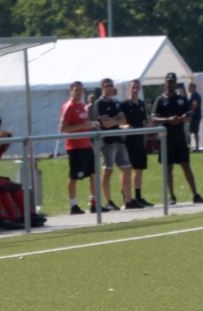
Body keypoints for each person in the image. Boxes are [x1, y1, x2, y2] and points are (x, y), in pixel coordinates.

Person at [151, 72, 203, 205]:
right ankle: (171, 196)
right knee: (168, 168)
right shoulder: (160, 100)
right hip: (166, 138)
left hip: (180, 136)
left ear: (175, 83)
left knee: (186, 165)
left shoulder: (181, 98)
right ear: (165, 83)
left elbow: (189, 113)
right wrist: (168, 119)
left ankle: (195, 194)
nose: (171, 84)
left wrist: (182, 118)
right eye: (169, 82)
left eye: (173, 82)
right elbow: (154, 117)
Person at [59, 80, 96, 215]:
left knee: (93, 174)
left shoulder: (82, 105)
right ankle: (73, 205)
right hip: (74, 147)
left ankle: (94, 203)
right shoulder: (68, 106)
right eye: (76, 90)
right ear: (71, 91)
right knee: (74, 176)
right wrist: (82, 126)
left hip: (86, 145)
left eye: (80, 90)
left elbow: (83, 123)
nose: (79, 93)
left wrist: (91, 124)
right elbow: (63, 128)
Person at [93, 78, 127, 211]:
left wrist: (114, 120)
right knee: (108, 170)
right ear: (102, 87)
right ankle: (108, 201)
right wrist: (116, 120)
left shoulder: (116, 102)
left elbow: (123, 119)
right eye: (107, 86)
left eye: (111, 85)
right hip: (107, 141)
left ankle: (127, 199)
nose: (109, 88)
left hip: (119, 139)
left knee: (126, 168)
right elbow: (105, 124)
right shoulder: (99, 103)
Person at [120, 79, 153, 208]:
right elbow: (120, 122)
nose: (135, 90)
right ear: (129, 88)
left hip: (140, 140)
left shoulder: (141, 104)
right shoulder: (124, 104)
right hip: (128, 141)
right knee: (126, 170)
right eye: (133, 87)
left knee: (139, 169)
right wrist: (125, 126)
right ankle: (126, 198)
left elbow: (145, 121)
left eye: (137, 88)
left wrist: (150, 124)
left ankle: (138, 197)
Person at [187, 81, 203, 152]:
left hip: (195, 116)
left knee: (193, 132)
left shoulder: (194, 95)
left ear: (192, 87)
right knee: (194, 132)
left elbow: (194, 104)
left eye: (189, 87)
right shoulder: (196, 95)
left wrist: (190, 113)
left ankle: (194, 147)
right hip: (197, 115)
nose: (188, 89)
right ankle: (195, 147)